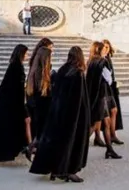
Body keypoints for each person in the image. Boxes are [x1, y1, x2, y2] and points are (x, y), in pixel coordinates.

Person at [29, 46, 91, 183]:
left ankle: (55, 169)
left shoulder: (63, 70)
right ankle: (69, 170)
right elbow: (78, 100)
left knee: (58, 143)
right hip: (72, 117)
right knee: (71, 144)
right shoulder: (78, 74)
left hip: (57, 113)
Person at [87, 41, 121, 159]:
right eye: (103, 49)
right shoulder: (102, 62)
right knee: (95, 123)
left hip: (96, 95)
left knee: (104, 122)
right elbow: (108, 79)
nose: (105, 51)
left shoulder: (90, 61)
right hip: (102, 95)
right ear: (99, 50)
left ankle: (109, 149)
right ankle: (78, 144)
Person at [25, 44, 54, 155]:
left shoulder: (35, 70)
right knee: (42, 132)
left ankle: (32, 148)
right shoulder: (40, 73)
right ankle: (32, 148)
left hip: (38, 106)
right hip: (42, 106)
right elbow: (44, 92)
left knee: (41, 132)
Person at [102, 39, 124, 144]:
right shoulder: (102, 60)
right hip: (105, 90)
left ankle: (112, 135)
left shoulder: (108, 59)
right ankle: (109, 136)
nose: (106, 49)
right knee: (102, 117)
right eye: (104, 47)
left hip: (110, 89)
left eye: (107, 47)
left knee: (112, 112)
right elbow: (107, 77)